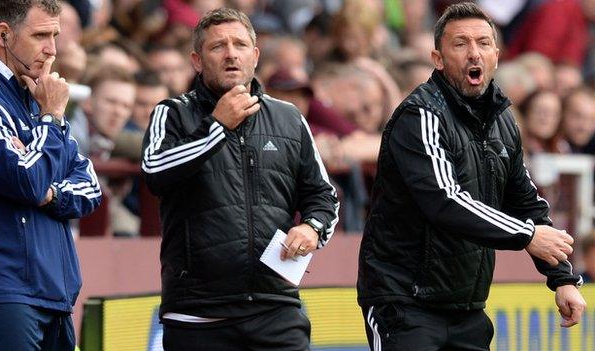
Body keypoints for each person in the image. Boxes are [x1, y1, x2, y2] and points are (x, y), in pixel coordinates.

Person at [356, 3, 586, 350]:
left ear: (497, 54)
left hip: (466, 307)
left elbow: (525, 200)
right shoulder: (421, 115)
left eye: (482, 43)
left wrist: (562, 279)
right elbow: (445, 200)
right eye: (460, 44)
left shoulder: (503, 119)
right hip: (404, 302)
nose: (473, 53)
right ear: (438, 57)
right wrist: (526, 235)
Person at [141, 8, 339, 351]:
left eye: (240, 45)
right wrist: (216, 127)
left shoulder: (289, 118)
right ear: (197, 60)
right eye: (217, 46)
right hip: (198, 315)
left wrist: (312, 228)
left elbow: (324, 196)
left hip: (276, 309)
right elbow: (155, 171)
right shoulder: (172, 113)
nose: (231, 53)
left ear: (255, 55)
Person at [0, 1, 101, 350]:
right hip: (2, 295)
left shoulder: (40, 99)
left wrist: (53, 195)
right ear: (3, 35)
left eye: (55, 35)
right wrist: (52, 119)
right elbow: (27, 182)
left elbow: (90, 186)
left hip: (56, 295)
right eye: (41, 35)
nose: (52, 49)